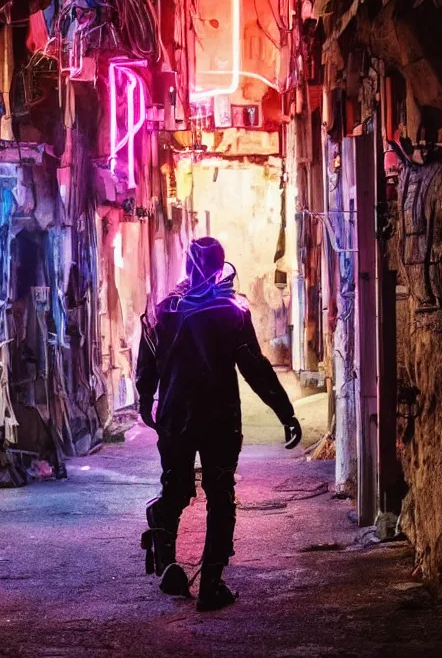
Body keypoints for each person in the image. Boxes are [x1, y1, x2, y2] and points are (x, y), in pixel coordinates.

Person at [135, 237, 303, 611]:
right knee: (220, 495)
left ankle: (167, 561)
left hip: (176, 415)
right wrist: (284, 412)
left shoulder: (166, 310)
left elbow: (146, 360)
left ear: (188, 265)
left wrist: (146, 401)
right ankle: (211, 584)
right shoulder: (232, 311)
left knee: (175, 489)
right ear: (219, 267)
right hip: (219, 417)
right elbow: (255, 368)